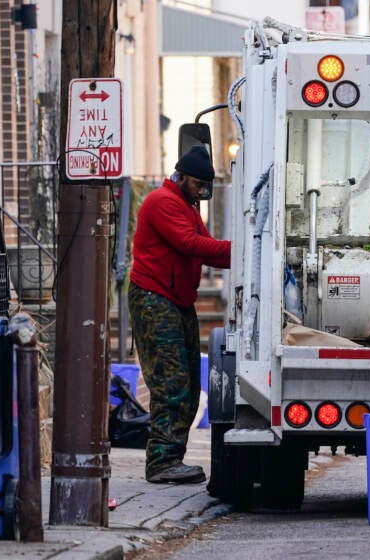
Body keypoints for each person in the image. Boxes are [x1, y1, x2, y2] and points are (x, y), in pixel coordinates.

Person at [128, 145, 231, 484]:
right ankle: (161, 461)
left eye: (206, 187)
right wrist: (241, 249)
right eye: (198, 185)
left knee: (186, 381)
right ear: (182, 176)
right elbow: (191, 244)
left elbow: (205, 247)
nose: (202, 192)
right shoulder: (163, 202)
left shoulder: (185, 206)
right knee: (170, 380)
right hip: (155, 298)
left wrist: (242, 254)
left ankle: (172, 457)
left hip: (175, 300)